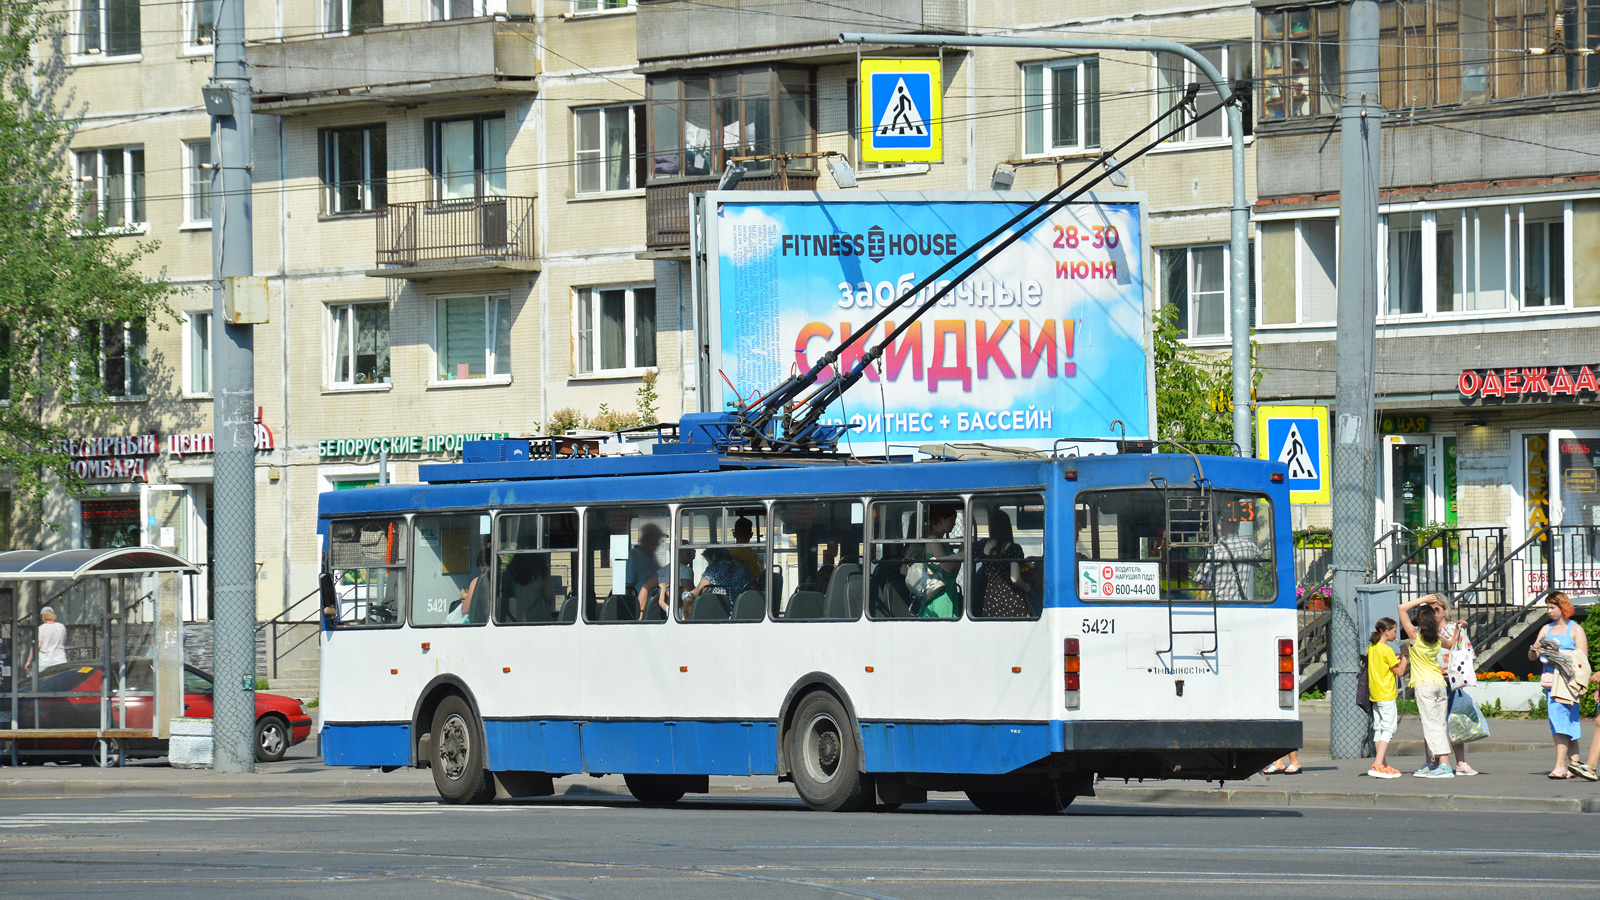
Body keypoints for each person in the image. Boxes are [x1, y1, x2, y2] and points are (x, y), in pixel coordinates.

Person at [1530, 591, 1589, 779]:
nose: (1549, 611)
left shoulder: (1575, 629)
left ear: (1563, 608)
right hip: (1550, 682)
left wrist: (1558, 652)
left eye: (1552, 607)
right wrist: (1534, 649)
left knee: (1561, 723)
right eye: (1547, 607)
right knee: (1566, 723)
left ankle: (1560, 765)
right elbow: (1532, 656)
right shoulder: (1546, 629)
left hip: (1567, 683)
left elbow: (1582, 659)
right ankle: (1574, 764)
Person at [1398, 598, 1455, 778]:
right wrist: (1460, 628)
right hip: (1439, 683)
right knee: (1439, 723)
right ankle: (1433, 763)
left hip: (1424, 685)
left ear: (1421, 618)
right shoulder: (1437, 638)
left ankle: (1444, 765)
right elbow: (1451, 643)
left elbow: (1402, 608)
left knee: (1432, 724)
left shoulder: (1415, 636)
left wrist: (1424, 600)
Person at [1429, 595, 1478, 776]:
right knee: (1433, 722)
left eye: (1437, 609)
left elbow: (1467, 652)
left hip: (1452, 679)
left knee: (1455, 720)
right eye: (1431, 610)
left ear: (1444, 610)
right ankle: (1434, 761)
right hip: (1433, 678)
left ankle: (1461, 762)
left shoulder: (1454, 628)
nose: (1434, 613)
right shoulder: (1427, 631)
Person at [1365, 617, 1407, 779]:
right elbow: (1400, 672)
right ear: (1387, 632)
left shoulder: (1372, 647)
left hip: (1375, 693)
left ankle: (1382, 763)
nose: (1396, 634)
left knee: (1379, 727)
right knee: (1389, 728)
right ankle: (1377, 763)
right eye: (1395, 631)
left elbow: (1383, 664)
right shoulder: (1387, 650)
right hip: (1386, 693)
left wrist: (1394, 661)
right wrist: (1404, 657)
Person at [906, 503, 961, 619]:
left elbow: (953, 573)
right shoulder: (933, 540)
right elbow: (946, 567)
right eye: (951, 520)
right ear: (942, 520)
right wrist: (961, 554)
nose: (954, 524)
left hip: (949, 591)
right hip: (939, 594)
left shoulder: (944, 542)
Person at [976, 509, 1030, 618]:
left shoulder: (983, 545)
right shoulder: (1014, 548)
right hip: (1012, 598)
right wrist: (1027, 587)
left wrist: (941, 559)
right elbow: (1015, 578)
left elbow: (963, 554)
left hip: (991, 597)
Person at [1201, 514, 1265, 603]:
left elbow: (1203, 586)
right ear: (1238, 526)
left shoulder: (1213, 551)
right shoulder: (1250, 547)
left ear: (1220, 526)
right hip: (1240, 606)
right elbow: (1260, 562)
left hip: (1220, 606)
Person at [684, 547, 751, 616]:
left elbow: (698, 591)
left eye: (708, 561)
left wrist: (682, 595)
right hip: (740, 612)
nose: (708, 564)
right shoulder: (742, 568)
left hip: (719, 612)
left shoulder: (713, 568)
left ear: (713, 557)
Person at [499, 553, 554, 623]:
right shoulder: (541, 573)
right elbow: (549, 597)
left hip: (516, 619)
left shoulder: (512, 574)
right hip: (539, 620)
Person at [625, 523, 665, 618]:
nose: (658, 543)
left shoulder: (653, 558)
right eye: (656, 539)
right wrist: (631, 614)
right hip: (639, 611)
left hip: (654, 608)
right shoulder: (633, 557)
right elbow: (628, 590)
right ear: (647, 539)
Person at [23, 606, 67, 673]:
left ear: (43, 616)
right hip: (59, 658)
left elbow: (35, 646)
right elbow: (63, 640)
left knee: (44, 680)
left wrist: (29, 661)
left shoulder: (41, 628)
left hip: (45, 660)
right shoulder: (61, 627)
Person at [728, 517, 763, 585]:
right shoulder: (751, 555)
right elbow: (754, 577)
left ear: (734, 534)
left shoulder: (727, 551)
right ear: (751, 535)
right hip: (744, 589)